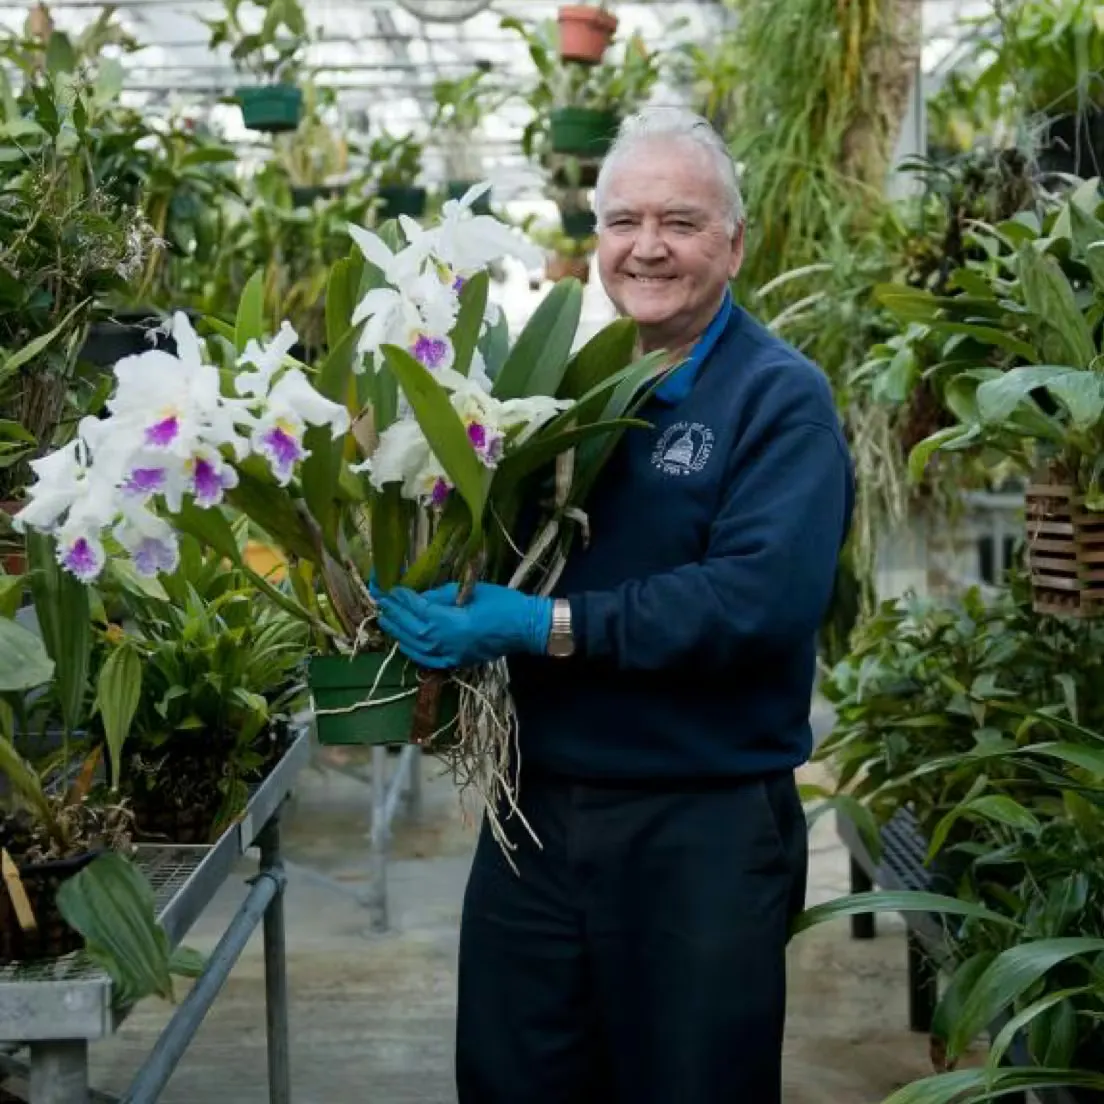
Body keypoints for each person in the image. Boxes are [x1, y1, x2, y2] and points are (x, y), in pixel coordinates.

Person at [373, 107, 854, 1104]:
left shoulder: (778, 398)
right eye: (623, 220)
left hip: (700, 827)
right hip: (537, 817)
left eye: (679, 221)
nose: (647, 247)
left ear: (735, 240)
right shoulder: (567, 392)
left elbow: (757, 601)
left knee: (691, 1085)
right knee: (512, 1078)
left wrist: (539, 626)